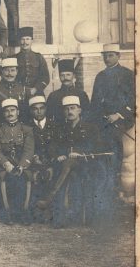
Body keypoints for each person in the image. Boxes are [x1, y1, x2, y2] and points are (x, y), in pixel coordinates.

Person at [40, 95, 113, 228]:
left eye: (73, 108)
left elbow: (97, 147)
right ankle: (59, 218)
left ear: (79, 110)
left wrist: (80, 153)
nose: (69, 112)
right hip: (65, 165)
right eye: (66, 109)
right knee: (63, 167)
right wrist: (58, 155)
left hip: (86, 164)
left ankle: (50, 199)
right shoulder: (60, 129)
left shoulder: (91, 128)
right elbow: (53, 146)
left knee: (69, 168)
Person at [90, 43, 135, 168]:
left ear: (118, 56)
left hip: (122, 117)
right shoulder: (100, 76)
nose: (107, 59)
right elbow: (95, 102)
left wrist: (118, 115)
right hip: (103, 118)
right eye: (105, 56)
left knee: (112, 137)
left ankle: (116, 174)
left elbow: (133, 100)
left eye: (110, 55)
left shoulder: (127, 74)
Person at [0, 98, 35, 224]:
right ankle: (7, 212)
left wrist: (22, 166)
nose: (10, 113)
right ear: (3, 113)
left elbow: (29, 150)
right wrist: (6, 164)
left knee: (23, 178)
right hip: (5, 165)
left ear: (18, 112)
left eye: (12, 110)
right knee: (6, 179)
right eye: (6, 111)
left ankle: (23, 212)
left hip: (21, 165)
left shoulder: (27, 130)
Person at [46, 58, 90, 124]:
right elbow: (48, 116)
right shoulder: (53, 96)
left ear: (74, 76)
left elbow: (87, 114)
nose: (65, 78)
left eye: (68, 75)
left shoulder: (81, 94)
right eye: (62, 75)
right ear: (59, 77)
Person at [16, 27, 50, 96]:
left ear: (32, 41)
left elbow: (46, 77)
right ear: (19, 41)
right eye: (22, 39)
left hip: (37, 93)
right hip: (20, 94)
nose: (25, 42)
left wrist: (36, 89)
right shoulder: (14, 58)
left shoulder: (39, 57)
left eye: (27, 39)